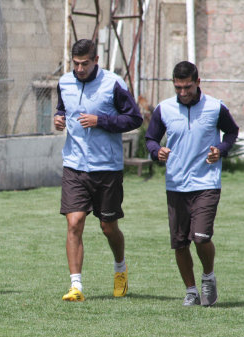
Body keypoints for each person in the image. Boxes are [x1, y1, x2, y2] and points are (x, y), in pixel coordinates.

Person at [54, 39, 143, 301]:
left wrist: (100, 121)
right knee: (74, 222)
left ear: (96, 61)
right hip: (74, 165)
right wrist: (59, 119)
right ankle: (76, 286)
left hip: (107, 167)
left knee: (108, 227)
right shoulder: (64, 82)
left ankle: (120, 269)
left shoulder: (113, 83)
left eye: (85, 63)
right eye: (76, 63)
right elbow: (63, 109)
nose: (79, 69)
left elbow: (134, 118)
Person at [145, 61, 239, 307]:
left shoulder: (215, 107)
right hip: (175, 184)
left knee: (200, 237)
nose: (183, 93)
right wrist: (157, 151)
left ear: (198, 83)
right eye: (178, 88)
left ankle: (208, 276)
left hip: (206, 182)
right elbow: (150, 139)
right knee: (179, 243)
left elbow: (231, 133)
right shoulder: (163, 109)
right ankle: (191, 291)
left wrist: (220, 149)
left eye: (187, 87)